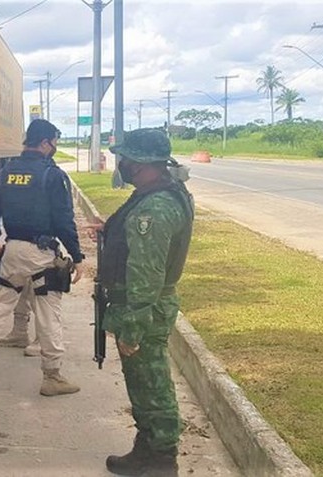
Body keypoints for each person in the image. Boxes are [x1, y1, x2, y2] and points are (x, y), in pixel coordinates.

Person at [93, 128, 194, 477]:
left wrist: (132, 327)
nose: (119, 164)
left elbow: (146, 273)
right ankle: (147, 449)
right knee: (143, 383)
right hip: (144, 307)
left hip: (143, 310)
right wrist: (110, 232)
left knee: (152, 385)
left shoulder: (155, 207)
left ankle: (161, 458)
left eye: (125, 158)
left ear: (138, 164)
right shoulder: (159, 194)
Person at [0, 119, 85, 396]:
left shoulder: (6, 172)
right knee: (49, 313)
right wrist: (77, 256)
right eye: (53, 142)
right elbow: (64, 220)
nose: (54, 147)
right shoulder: (52, 175)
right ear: (44, 143)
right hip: (42, 254)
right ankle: (52, 376)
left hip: (13, 250)